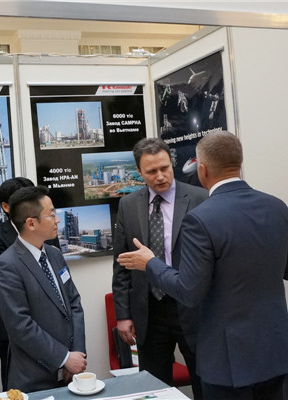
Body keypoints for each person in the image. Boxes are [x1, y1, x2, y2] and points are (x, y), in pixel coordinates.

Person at [118, 131, 288, 400]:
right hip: (274, 349)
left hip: (227, 355)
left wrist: (150, 264)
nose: (160, 176)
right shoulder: (277, 207)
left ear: (202, 170)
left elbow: (189, 290)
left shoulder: (201, 216)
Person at [112, 137, 207, 399]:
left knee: (205, 383)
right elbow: (121, 263)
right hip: (149, 310)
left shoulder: (200, 198)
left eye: (164, 168)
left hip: (191, 306)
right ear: (139, 172)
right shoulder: (128, 204)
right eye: (152, 171)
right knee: (154, 389)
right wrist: (123, 315)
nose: (161, 176)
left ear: (171, 164)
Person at [0, 186, 87, 392]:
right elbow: (20, 326)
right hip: (35, 377)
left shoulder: (54, 254)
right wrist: (64, 358)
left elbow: (74, 303)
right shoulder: (7, 265)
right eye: (51, 214)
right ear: (31, 223)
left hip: (71, 372)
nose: (57, 220)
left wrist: (77, 353)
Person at [0, 177, 61, 390]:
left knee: (56, 383)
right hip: (13, 324)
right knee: (15, 388)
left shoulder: (48, 229)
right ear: (6, 207)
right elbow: (14, 276)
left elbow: (55, 271)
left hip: (51, 320)